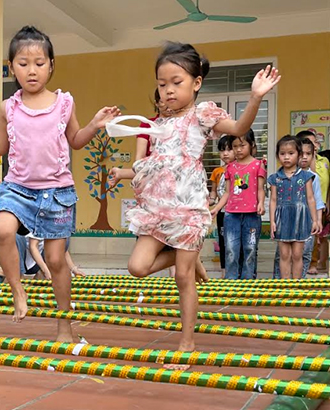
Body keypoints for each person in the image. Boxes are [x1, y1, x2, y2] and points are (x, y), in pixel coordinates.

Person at [107, 41, 279, 367]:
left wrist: (255, 96)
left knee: (182, 277)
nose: (168, 90)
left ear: (196, 83)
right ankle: (188, 255)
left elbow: (240, 128)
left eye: (176, 82)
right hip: (157, 210)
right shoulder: (156, 124)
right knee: (137, 267)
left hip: (188, 209)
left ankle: (187, 344)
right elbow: (152, 164)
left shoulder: (202, 115)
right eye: (162, 84)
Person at [0, 26, 120, 341]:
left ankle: (64, 324)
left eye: (39, 63)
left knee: (55, 260)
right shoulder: (7, 107)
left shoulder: (64, 103)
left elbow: (76, 141)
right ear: (11, 67)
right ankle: (17, 290)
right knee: (2, 230)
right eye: (23, 63)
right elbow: (0, 147)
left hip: (57, 192)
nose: (32, 70)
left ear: (52, 65)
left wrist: (95, 124)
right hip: (18, 188)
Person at [108, 89, 207, 281]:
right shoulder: (148, 125)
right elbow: (140, 165)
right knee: (143, 263)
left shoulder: (190, 123)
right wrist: (122, 172)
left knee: (183, 268)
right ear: (158, 101)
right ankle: (190, 259)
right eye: (163, 93)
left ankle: (191, 262)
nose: (169, 101)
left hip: (182, 197)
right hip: (155, 200)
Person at [213, 130, 267, 280]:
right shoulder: (230, 167)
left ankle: (248, 280)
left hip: (251, 215)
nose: (238, 149)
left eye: (242, 145)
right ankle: (231, 280)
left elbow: (260, 189)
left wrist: (261, 203)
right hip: (231, 215)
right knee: (230, 249)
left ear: (252, 145)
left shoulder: (258, 165)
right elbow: (227, 192)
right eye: (235, 146)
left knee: (250, 248)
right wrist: (216, 208)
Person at [267, 135, 320, 279]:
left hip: (301, 217)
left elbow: (311, 199)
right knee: (284, 255)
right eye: (282, 153)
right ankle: (285, 287)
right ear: (278, 156)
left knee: (297, 254)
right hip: (282, 219)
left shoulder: (306, 176)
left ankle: (296, 287)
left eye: (291, 153)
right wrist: (272, 221)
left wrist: (315, 220)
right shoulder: (274, 178)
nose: (286, 157)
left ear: (299, 155)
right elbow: (273, 200)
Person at [298, 130, 330, 274]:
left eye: (314, 141)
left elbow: (327, 183)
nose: (312, 145)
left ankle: (313, 263)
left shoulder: (324, 161)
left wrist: (327, 202)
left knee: (317, 236)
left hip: (319, 203)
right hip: (301, 206)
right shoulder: (300, 164)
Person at [211, 135, 236, 278]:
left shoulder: (239, 169)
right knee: (223, 242)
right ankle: (224, 271)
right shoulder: (217, 171)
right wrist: (211, 200)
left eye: (229, 149)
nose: (225, 153)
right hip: (222, 212)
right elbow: (214, 190)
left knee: (234, 243)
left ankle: (235, 271)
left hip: (236, 211)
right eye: (222, 150)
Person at [15, 234, 85, 279]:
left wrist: (73, 269)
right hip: (25, 261)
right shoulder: (40, 218)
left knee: (62, 241)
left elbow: (62, 249)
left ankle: (40, 278)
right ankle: (17, 278)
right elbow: (33, 247)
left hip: (37, 262)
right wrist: (45, 270)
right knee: (17, 238)